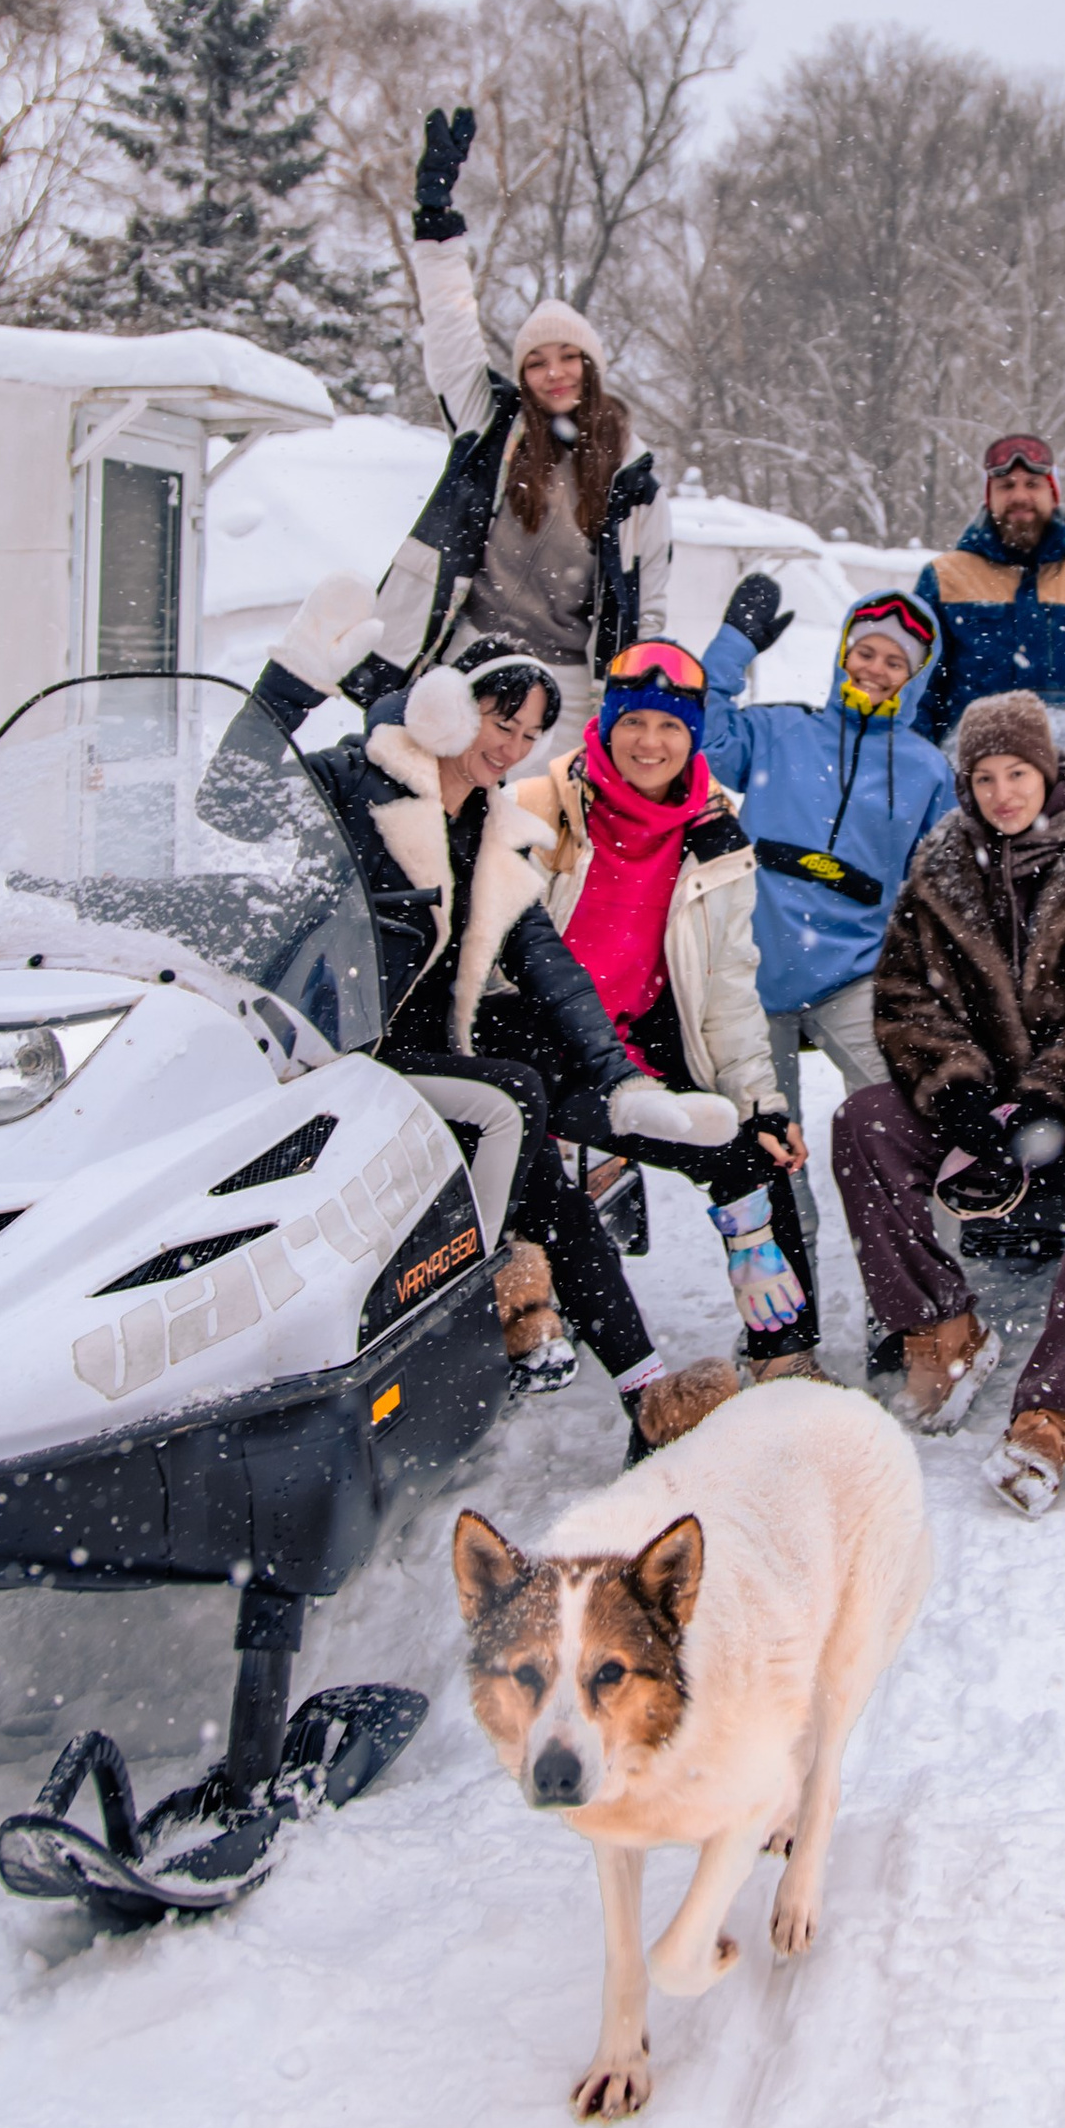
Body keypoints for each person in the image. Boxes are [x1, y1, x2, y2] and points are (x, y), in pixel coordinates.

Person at [252, 581, 734, 1443]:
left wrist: (622, 1079)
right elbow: (229, 801)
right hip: (325, 1052)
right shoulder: (355, 780)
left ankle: (647, 1396)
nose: (509, 747)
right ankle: (488, 1283)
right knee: (511, 1098)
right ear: (449, 707)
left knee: (548, 1163)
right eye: (498, 722)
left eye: (527, 734)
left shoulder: (490, 829)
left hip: (415, 1052)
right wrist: (289, 686)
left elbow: (551, 967)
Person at [835, 691, 1065, 1516]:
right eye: (985, 777)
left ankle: (1057, 1411)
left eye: (1018, 773)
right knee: (864, 1123)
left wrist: (1051, 1103)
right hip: (986, 1093)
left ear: (1048, 770)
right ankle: (943, 1328)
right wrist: (959, 1092)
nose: (1003, 793)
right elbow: (905, 996)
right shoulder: (940, 866)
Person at [509, 639, 822, 1380]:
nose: (649, 743)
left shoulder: (713, 835)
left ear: (693, 736)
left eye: (670, 727)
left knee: (755, 1147)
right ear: (606, 725)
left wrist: (760, 1101)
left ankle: (786, 1362)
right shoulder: (539, 810)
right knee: (696, 1151)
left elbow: (726, 982)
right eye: (634, 722)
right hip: (545, 1047)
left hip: (639, 1039)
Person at [360, 105, 670, 745]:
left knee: (537, 811)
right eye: (536, 361)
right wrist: (437, 222)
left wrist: (626, 701)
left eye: (568, 357)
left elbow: (648, 606)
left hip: (567, 682)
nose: (554, 373)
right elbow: (451, 327)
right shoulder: (495, 425)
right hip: (466, 655)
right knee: (433, 796)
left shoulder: (634, 481)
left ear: (591, 365)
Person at [700, 580, 955, 1322]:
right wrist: (731, 648)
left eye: (895, 663)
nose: (876, 669)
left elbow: (939, 886)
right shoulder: (780, 732)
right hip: (753, 977)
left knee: (910, 1130)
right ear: (844, 655)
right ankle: (787, 1323)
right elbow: (700, 735)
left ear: (915, 678)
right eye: (866, 652)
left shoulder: (925, 769)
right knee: (764, 1154)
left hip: (856, 978)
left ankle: (918, 1310)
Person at [912, 434, 1065, 749]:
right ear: (989, 498)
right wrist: (920, 760)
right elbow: (920, 687)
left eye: (1032, 484)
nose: (1019, 496)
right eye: (1006, 486)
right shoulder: (944, 578)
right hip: (970, 765)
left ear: (1053, 494)